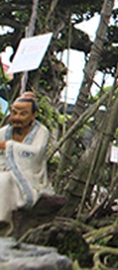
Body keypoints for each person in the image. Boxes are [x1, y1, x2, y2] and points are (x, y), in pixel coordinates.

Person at [0, 92, 52, 235]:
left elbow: (35, 153)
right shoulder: (4, 131)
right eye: (14, 113)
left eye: (22, 114)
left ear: (33, 115)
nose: (16, 118)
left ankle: (2, 222)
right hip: (3, 167)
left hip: (29, 173)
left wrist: (9, 146)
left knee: (4, 180)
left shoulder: (41, 132)